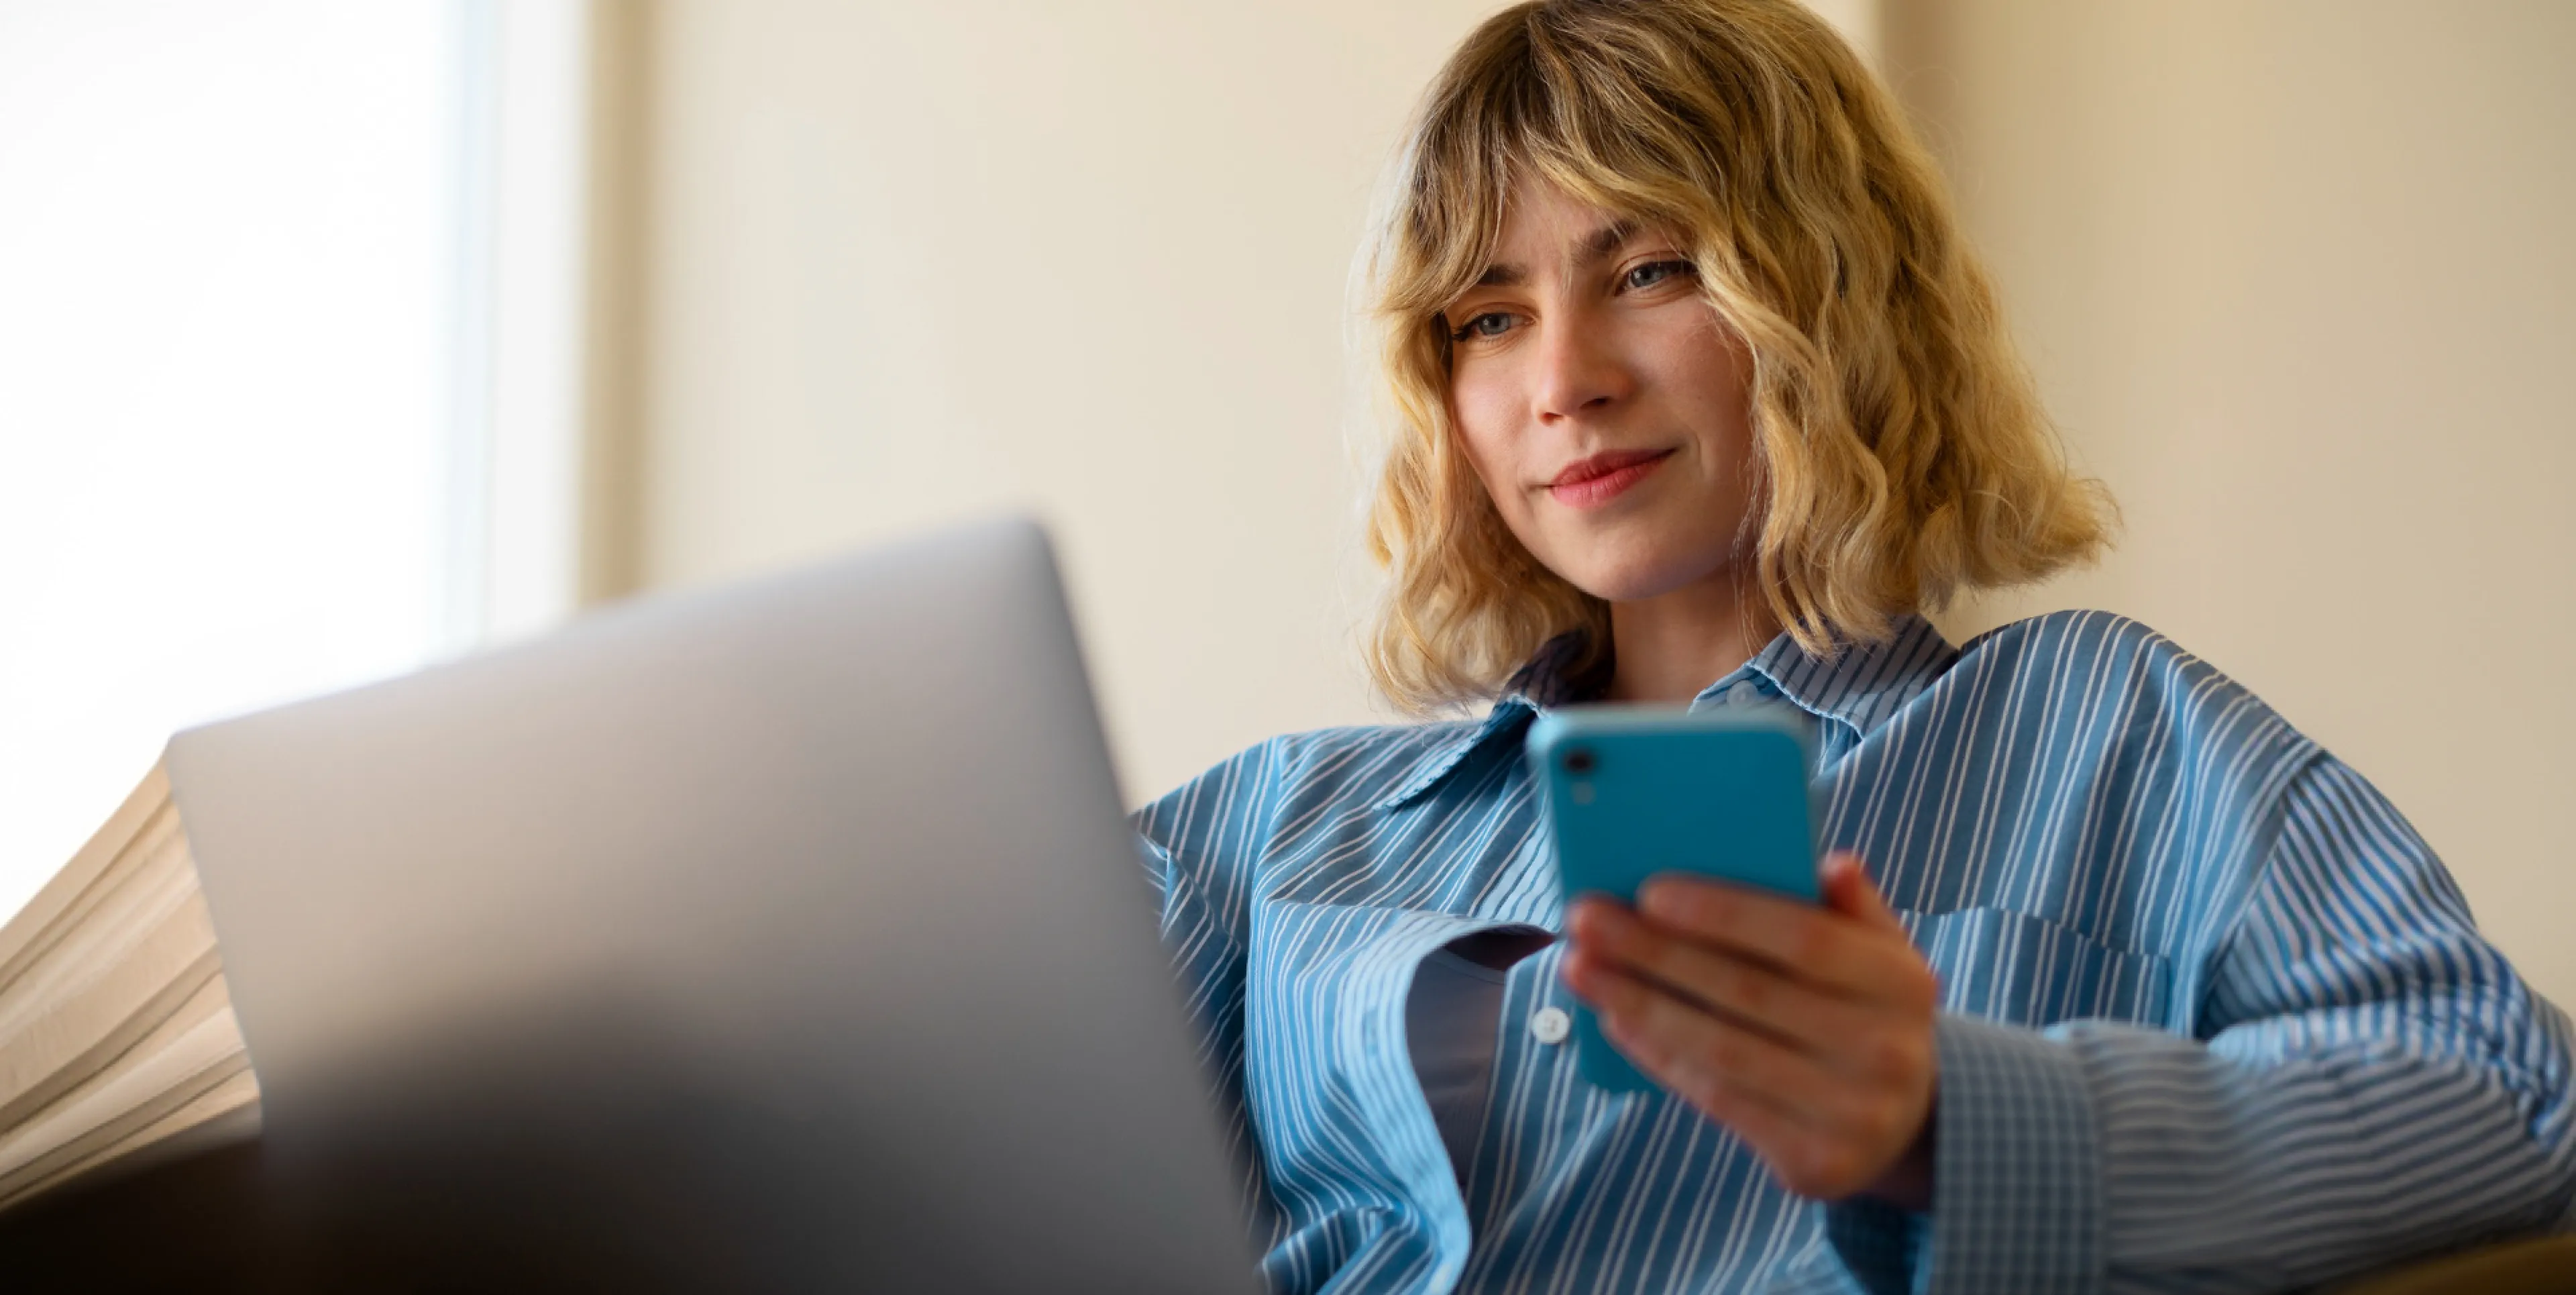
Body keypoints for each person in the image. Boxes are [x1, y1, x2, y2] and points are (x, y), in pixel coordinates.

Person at [1132, 1, 2576, 1292]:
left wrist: (1948, 1113)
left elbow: (2512, 1100)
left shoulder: (2109, 730)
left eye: (1647, 269)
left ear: (1827, 292)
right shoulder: (1272, 828)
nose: (1563, 379)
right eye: (1488, 317)